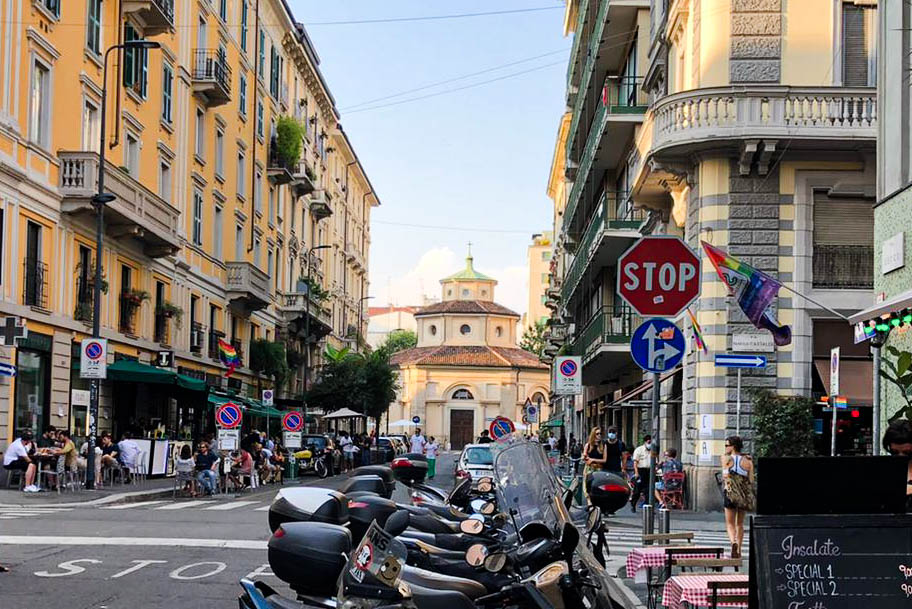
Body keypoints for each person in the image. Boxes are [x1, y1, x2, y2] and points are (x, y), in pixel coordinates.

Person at [722, 436, 754, 558]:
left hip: (730, 493)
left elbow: (725, 476)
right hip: (743, 494)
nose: (725, 448)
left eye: (727, 445)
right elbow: (751, 480)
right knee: (740, 524)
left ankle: (733, 542)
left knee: (730, 523)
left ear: (733, 446)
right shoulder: (748, 462)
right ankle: (739, 549)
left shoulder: (726, 459)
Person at [630, 435, 654, 512]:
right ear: (645, 442)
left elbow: (655, 461)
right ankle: (633, 505)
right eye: (648, 442)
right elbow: (635, 463)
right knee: (637, 490)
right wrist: (636, 473)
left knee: (648, 490)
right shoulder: (639, 450)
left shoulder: (653, 450)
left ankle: (648, 508)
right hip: (641, 471)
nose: (650, 444)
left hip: (649, 471)